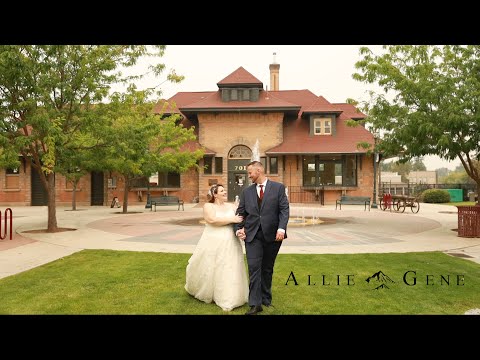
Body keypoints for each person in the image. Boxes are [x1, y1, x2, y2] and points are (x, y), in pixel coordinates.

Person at [235, 160, 290, 315]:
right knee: (254, 269)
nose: (249, 176)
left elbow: (284, 210)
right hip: (252, 236)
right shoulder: (246, 192)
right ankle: (255, 304)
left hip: (273, 236)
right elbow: (240, 214)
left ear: (258, 171)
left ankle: (266, 299)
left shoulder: (278, 188)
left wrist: (281, 228)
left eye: (250, 173)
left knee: (267, 268)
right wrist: (239, 229)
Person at [185, 184, 249, 312]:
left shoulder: (232, 206)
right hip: (213, 240)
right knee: (212, 265)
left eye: (224, 190)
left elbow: (242, 218)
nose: (225, 192)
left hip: (231, 240)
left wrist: (242, 228)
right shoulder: (208, 206)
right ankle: (209, 292)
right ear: (215, 194)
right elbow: (212, 220)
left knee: (230, 266)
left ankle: (230, 296)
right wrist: (232, 219)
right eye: (222, 191)